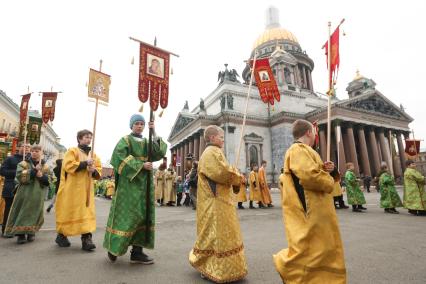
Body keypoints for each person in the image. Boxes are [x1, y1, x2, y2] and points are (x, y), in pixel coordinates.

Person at [273, 119, 346, 283]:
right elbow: (309, 176)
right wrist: (327, 180)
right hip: (311, 209)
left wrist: (331, 170)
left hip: (319, 208)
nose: (315, 135)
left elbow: (316, 173)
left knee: (320, 247)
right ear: (308, 132)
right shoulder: (298, 149)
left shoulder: (306, 150)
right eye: (314, 132)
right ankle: (290, 271)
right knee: (312, 248)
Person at [103, 114, 167, 264]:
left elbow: (159, 152)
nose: (139, 126)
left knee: (142, 216)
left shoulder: (146, 141)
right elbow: (118, 158)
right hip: (129, 185)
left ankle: (137, 252)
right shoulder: (125, 140)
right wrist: (140, 165)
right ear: (131, 125)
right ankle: (114, 247)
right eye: (137, 123)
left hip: (145, 185)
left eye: (142, 124)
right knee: (127, 217)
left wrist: (155, 131)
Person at [189, 125, 247, 282]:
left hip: (221, 202)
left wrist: (233, 173)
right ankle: (208, 265)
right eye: (221, 137)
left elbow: (224, 170)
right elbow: (221, 173)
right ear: (212, 138)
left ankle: (228, 267)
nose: (223, 139)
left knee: (223, 235)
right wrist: (238, 176)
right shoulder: (210, 153)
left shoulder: (215, 152)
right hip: (215, 204)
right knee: (215, 236)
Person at [55, 130, 102, 251]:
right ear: (79, 139)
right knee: (69, 211)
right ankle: (62, 235)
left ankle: (87, 239)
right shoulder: (72, 151)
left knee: (86, 212)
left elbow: (98, 172)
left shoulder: (93, 155)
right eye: (86, 137)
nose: (89, 139)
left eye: (90, 138)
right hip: (72, 189)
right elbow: (68, 165)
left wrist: (94, 171)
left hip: (86, 190)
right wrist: (85, 163)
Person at [4, 145, 49, 243]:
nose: (34, 152)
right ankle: (20, 234)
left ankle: (31, 232)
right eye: (33, 151)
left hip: (38, 193)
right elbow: (19, 176)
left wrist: (41, 176)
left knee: (35, 212)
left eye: (37, 151)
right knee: (22, 211)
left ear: (41, 153)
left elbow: (48, 180)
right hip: (25, 192)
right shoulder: (23, 163)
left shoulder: (45, 166)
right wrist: (33, 171)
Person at [0, 142, 30, 237]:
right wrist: (18, 172)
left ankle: (19, 230)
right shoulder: (10, 159)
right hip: (11, 186)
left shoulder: (29, 161)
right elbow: (3, 171)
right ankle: (6, 230)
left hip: (24, 188)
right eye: (24, 146)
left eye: (28, 147)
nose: (26, 149)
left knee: (22, 210)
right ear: (18, 147)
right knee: (9, 209)